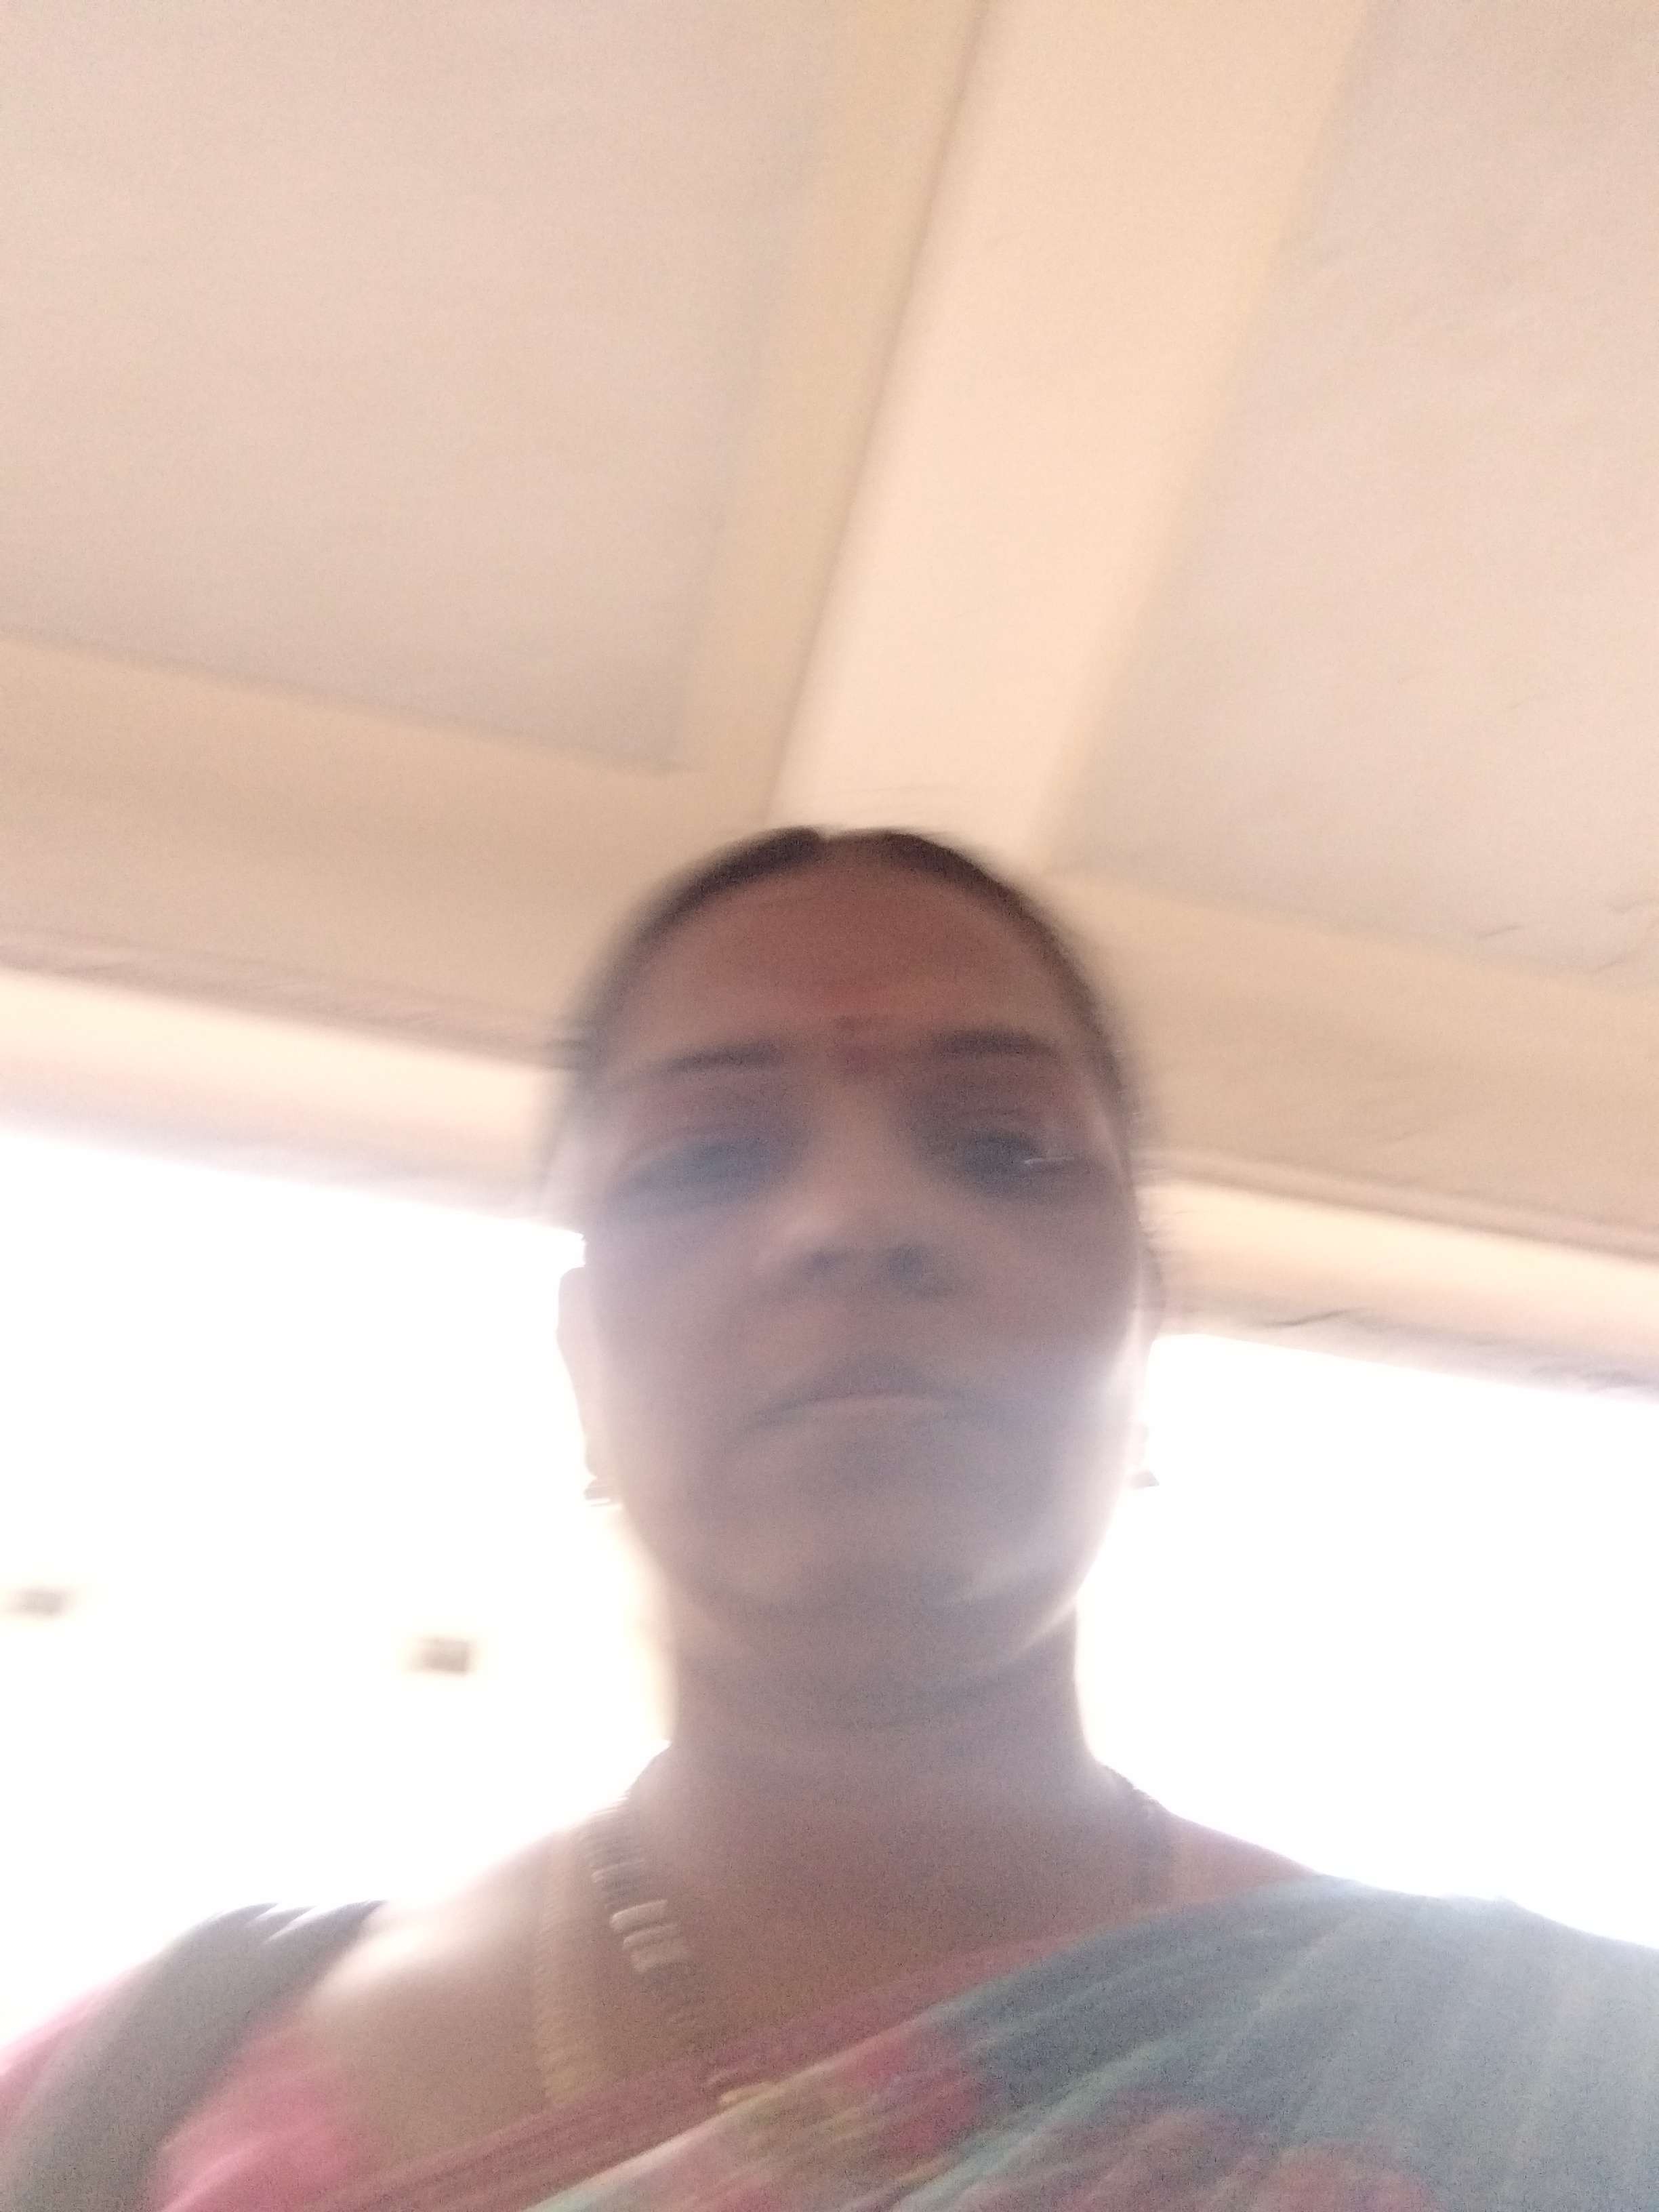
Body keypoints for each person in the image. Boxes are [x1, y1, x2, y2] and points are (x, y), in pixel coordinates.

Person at [2, 827, 1656, 2212]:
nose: (856, 1217)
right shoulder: (131, 2101)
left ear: (1143, 1331)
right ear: (582, 1366)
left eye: (1002, 1147)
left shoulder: (1536, 2090)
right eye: (706, 1158)